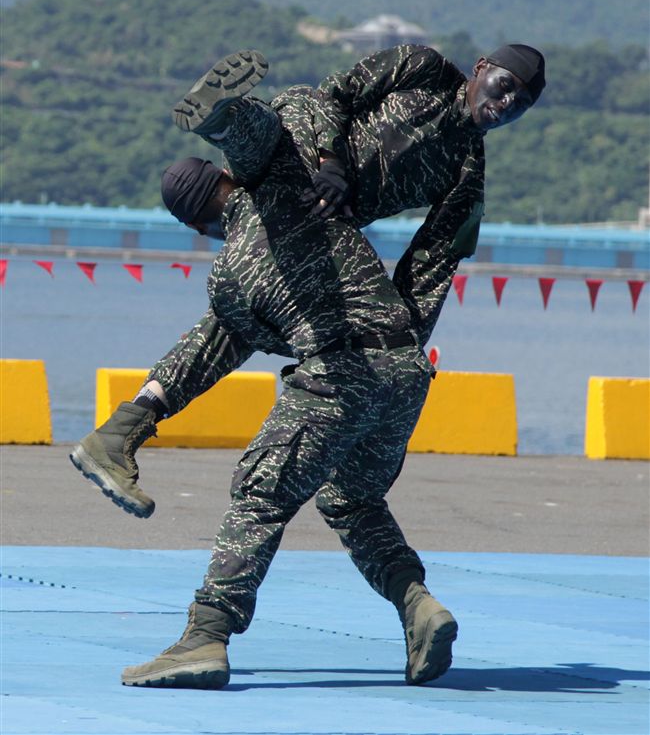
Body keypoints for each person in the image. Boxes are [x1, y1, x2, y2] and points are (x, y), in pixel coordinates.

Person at [70, 43, 545, 519]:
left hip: (311, 232)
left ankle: (116, 435)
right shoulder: (424, 67)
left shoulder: (467, 174)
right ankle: (223, 119)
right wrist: (330, 161)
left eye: (519, 106)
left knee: (235, 323)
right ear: (481, 68)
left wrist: (399, 351)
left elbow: (431, 265)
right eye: (504, 88)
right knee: (276, 138)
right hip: (305, 160)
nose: (505, 106)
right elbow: (333, 93)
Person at [117, 128, 456, 688]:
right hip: (406, 370)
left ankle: (204, 637)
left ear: (197, 226)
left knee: (261, 493)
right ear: (227, 177)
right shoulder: (310, 192)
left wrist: (147, 405)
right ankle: (418, 605)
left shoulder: (232, 269)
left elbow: (224, 343)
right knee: (354, 498)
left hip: (341, 372)